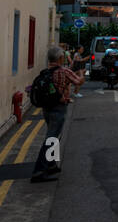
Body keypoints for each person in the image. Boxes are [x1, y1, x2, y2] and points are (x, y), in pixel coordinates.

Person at [30, 45, 81, 183]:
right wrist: (81, 74)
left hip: (47, 108)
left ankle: (51, 165)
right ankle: (39, 170)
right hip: (58, 108)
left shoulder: (45, 72)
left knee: (53, 136)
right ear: (60, 58)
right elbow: (78, 81)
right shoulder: (63, 71)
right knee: (52, 138)